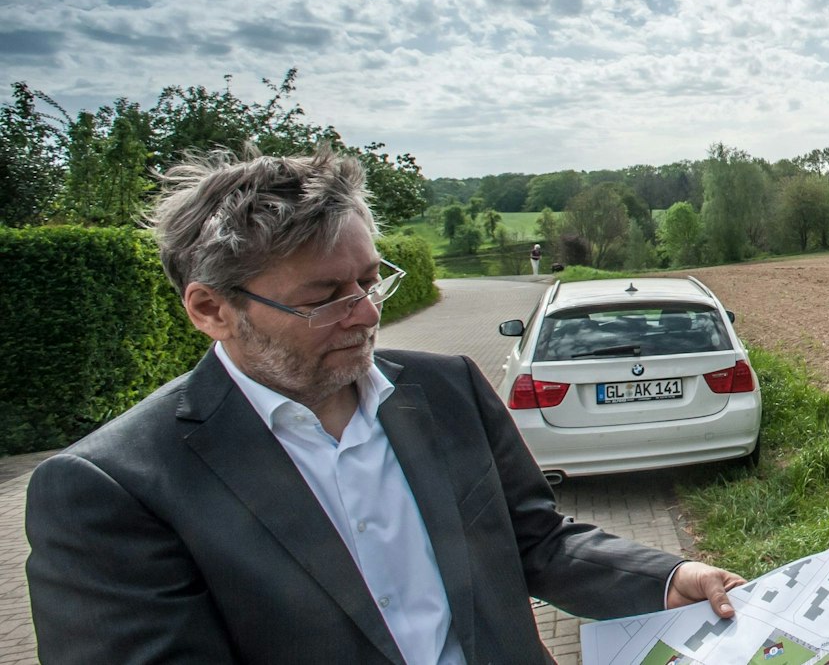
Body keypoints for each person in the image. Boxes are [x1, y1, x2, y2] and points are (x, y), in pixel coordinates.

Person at [25, 147, 744, 665]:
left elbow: (535, 540)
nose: (366, 313)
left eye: (371, 282)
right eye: (323, 298)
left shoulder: (447, 388)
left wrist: (664, 578)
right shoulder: (109, 489)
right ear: (210, 308)